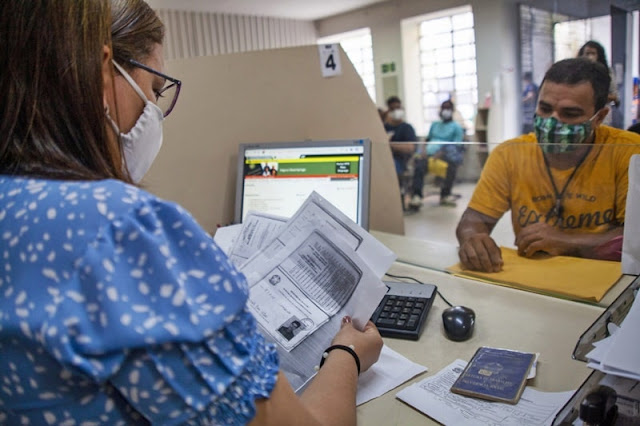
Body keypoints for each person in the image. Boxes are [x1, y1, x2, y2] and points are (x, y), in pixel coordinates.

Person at [0, 1, 383, 424]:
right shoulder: (123, 229)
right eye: (154, 86)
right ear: (102, 73)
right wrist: (347, 353)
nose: (153, 105)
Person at [455, 57, 640, 273]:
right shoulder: (510, 154)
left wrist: (566, 240)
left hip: (608, 283)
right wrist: (473, 239)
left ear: (599, 117)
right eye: (544, 108)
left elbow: (633, 239)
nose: (552, 121)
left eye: (570, 113)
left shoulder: (629, 152)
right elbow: (474, 219)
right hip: (535, 280)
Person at [384, 96, 425, 209]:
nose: (396, 111)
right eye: (393, 109)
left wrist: (389, 144)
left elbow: (410, 148)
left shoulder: (407, 128)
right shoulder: (384, 128)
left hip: (402, 161)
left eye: (398, 107)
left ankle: (414, 196)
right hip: (385, 160)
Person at [426, 100, 465, 207]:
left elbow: (457, 145)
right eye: (443, 108)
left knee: (451, 166)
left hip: (445, 156)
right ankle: (416, 196)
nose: (445, 111)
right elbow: (427, 140)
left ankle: (445, 195)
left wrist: (442, 152)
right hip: (428, 155)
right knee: (419, 164)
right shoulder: (434, 125)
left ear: (452, 111)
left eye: (448, 108)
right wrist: (423, 152)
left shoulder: (456, 127)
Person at [578, 40, 620, 125]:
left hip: (602, 115)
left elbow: (614, 96)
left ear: (599, 55)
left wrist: (595, 97)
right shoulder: (577, 72)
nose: (589, 56)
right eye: (587, 53)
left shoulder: (607, 72)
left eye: (593, 53)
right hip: (581, 114)